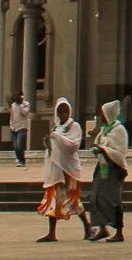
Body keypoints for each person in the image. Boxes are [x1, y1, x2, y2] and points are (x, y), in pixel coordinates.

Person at [36, 98, 85, 242]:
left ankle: (87, 227)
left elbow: (73, 146)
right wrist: (48, 141)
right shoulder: (56, 128)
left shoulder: (74, 127)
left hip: (69, 170)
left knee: (73, 201)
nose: (63, 114)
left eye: (66, 111)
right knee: (53, 201)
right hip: (56, 171)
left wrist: (57, 138)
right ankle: (52, 233)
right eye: (60, 112)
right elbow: (53, 149)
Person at [84, 98, 130, 244]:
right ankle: (102, 227)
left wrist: (105, 150)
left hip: (115, 169)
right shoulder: (104, 130)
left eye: (103, 114)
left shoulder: (119, 130)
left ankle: (119, 231)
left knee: (113, 199)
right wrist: (97, 149)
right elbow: (98, 143)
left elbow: (120, 151)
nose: (101, 116)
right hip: (103, 167)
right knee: (95, 197)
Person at [8, 93, 32, 167]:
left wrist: (21, 105)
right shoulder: (13, 105)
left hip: (22, 127)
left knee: (20, 144)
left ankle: (22, 160)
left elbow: (25, 113)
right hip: (14, 127)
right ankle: (19, 158)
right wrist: (11, 124)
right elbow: (12, 115)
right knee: (15, 146)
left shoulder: (26, 104)